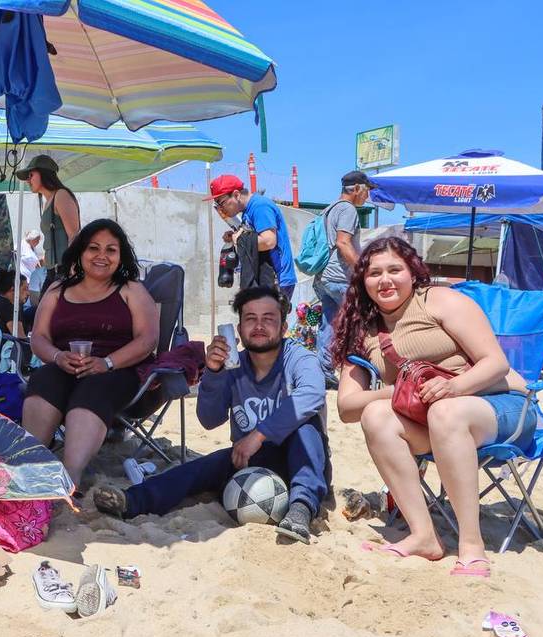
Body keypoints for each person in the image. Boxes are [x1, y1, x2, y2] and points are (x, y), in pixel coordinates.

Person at [332, 237, 535, 576]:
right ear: (362, 280)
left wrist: (453, 386)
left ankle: (471, 545)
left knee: (446, 410)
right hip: (436, 423)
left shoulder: (439, 301)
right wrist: (401, 390)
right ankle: (424, 536)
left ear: (413, 272)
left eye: (395, 270)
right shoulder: (363, 330)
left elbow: (495, 363)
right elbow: (347, 407)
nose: (385, 280)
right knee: (375, 416)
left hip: (501, 406)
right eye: (374, 273)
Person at [93, 286, 330, 543]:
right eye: (250, 319)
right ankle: (132, 501)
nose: (259, 326)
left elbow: (313, 394)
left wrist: (258, 435)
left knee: (307, 426)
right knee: (200, 467)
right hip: (249, 462)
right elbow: (209, 419)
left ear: (284, 327)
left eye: (268, 319)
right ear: (239, 330)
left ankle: (301, 509)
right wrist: (214, 373)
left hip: (300, 462)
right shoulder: (234, 366)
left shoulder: (299, 358)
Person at [22, 219, 158, 489]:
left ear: (121, 257)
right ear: (81, 252)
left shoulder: (131, 290)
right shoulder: (58, 290)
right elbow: (39, 337)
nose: (102, 256)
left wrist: (107, 363)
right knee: (45, 379)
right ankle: (28, 467)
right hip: (66, 365)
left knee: (94, 389)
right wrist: (58, 357)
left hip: (119, 369)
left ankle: (70, 477)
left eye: (111, 250)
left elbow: (147, 339)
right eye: (93, 248)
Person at [316, 171, 375, 386]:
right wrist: (363, 270)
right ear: (357, 188)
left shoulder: (329, 209)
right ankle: (362, 372)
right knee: (362, 322)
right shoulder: (348, 210)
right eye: (367, 190)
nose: (367, 196)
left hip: (325, 276)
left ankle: (323, 372)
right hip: (340, 277)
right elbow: (343, 243)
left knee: (330, 324)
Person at [207, 174, 296, 303]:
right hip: (266, 278)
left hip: (277, 279)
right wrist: (234, 237)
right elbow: (252, 237)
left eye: (222, 202)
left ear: (236, 195)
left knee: (270, 322)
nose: (221, 208)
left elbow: (268, 241)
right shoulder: (247, 212)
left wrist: (239, 240)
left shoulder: (260, 207)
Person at [17, 155, 80, 288]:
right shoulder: (47, 202)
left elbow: (74, 235)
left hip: (64, 271)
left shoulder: (61, 195)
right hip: (52, 272)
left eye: (31, 175)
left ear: (44, 173)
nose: (28, 180)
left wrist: (72, 270)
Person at [0, 268, 31, 337]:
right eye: (25, 289)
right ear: (13, 289)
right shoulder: (6, 306)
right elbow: (20, 337)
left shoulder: (0, 302)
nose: (28, 293)